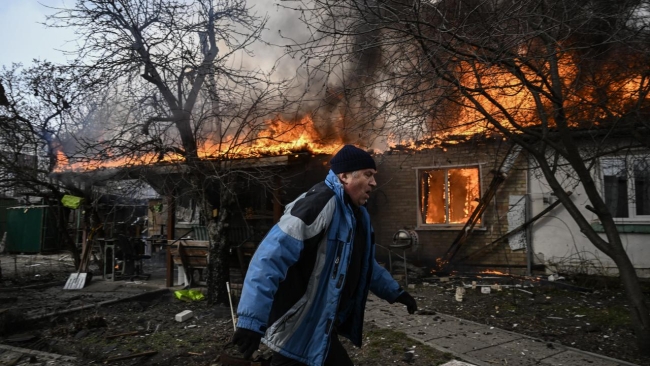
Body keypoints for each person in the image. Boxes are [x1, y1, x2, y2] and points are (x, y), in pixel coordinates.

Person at [232, 144, 418, 366]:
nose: (374, 183)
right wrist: (250, 321)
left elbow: (364, 264)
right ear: (345, 176)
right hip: (299, 325)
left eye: (373, 176)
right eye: (368, 175)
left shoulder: (358, 216)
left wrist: (395, 293)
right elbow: (269, 258)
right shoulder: (319, 203)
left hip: (320, 325)